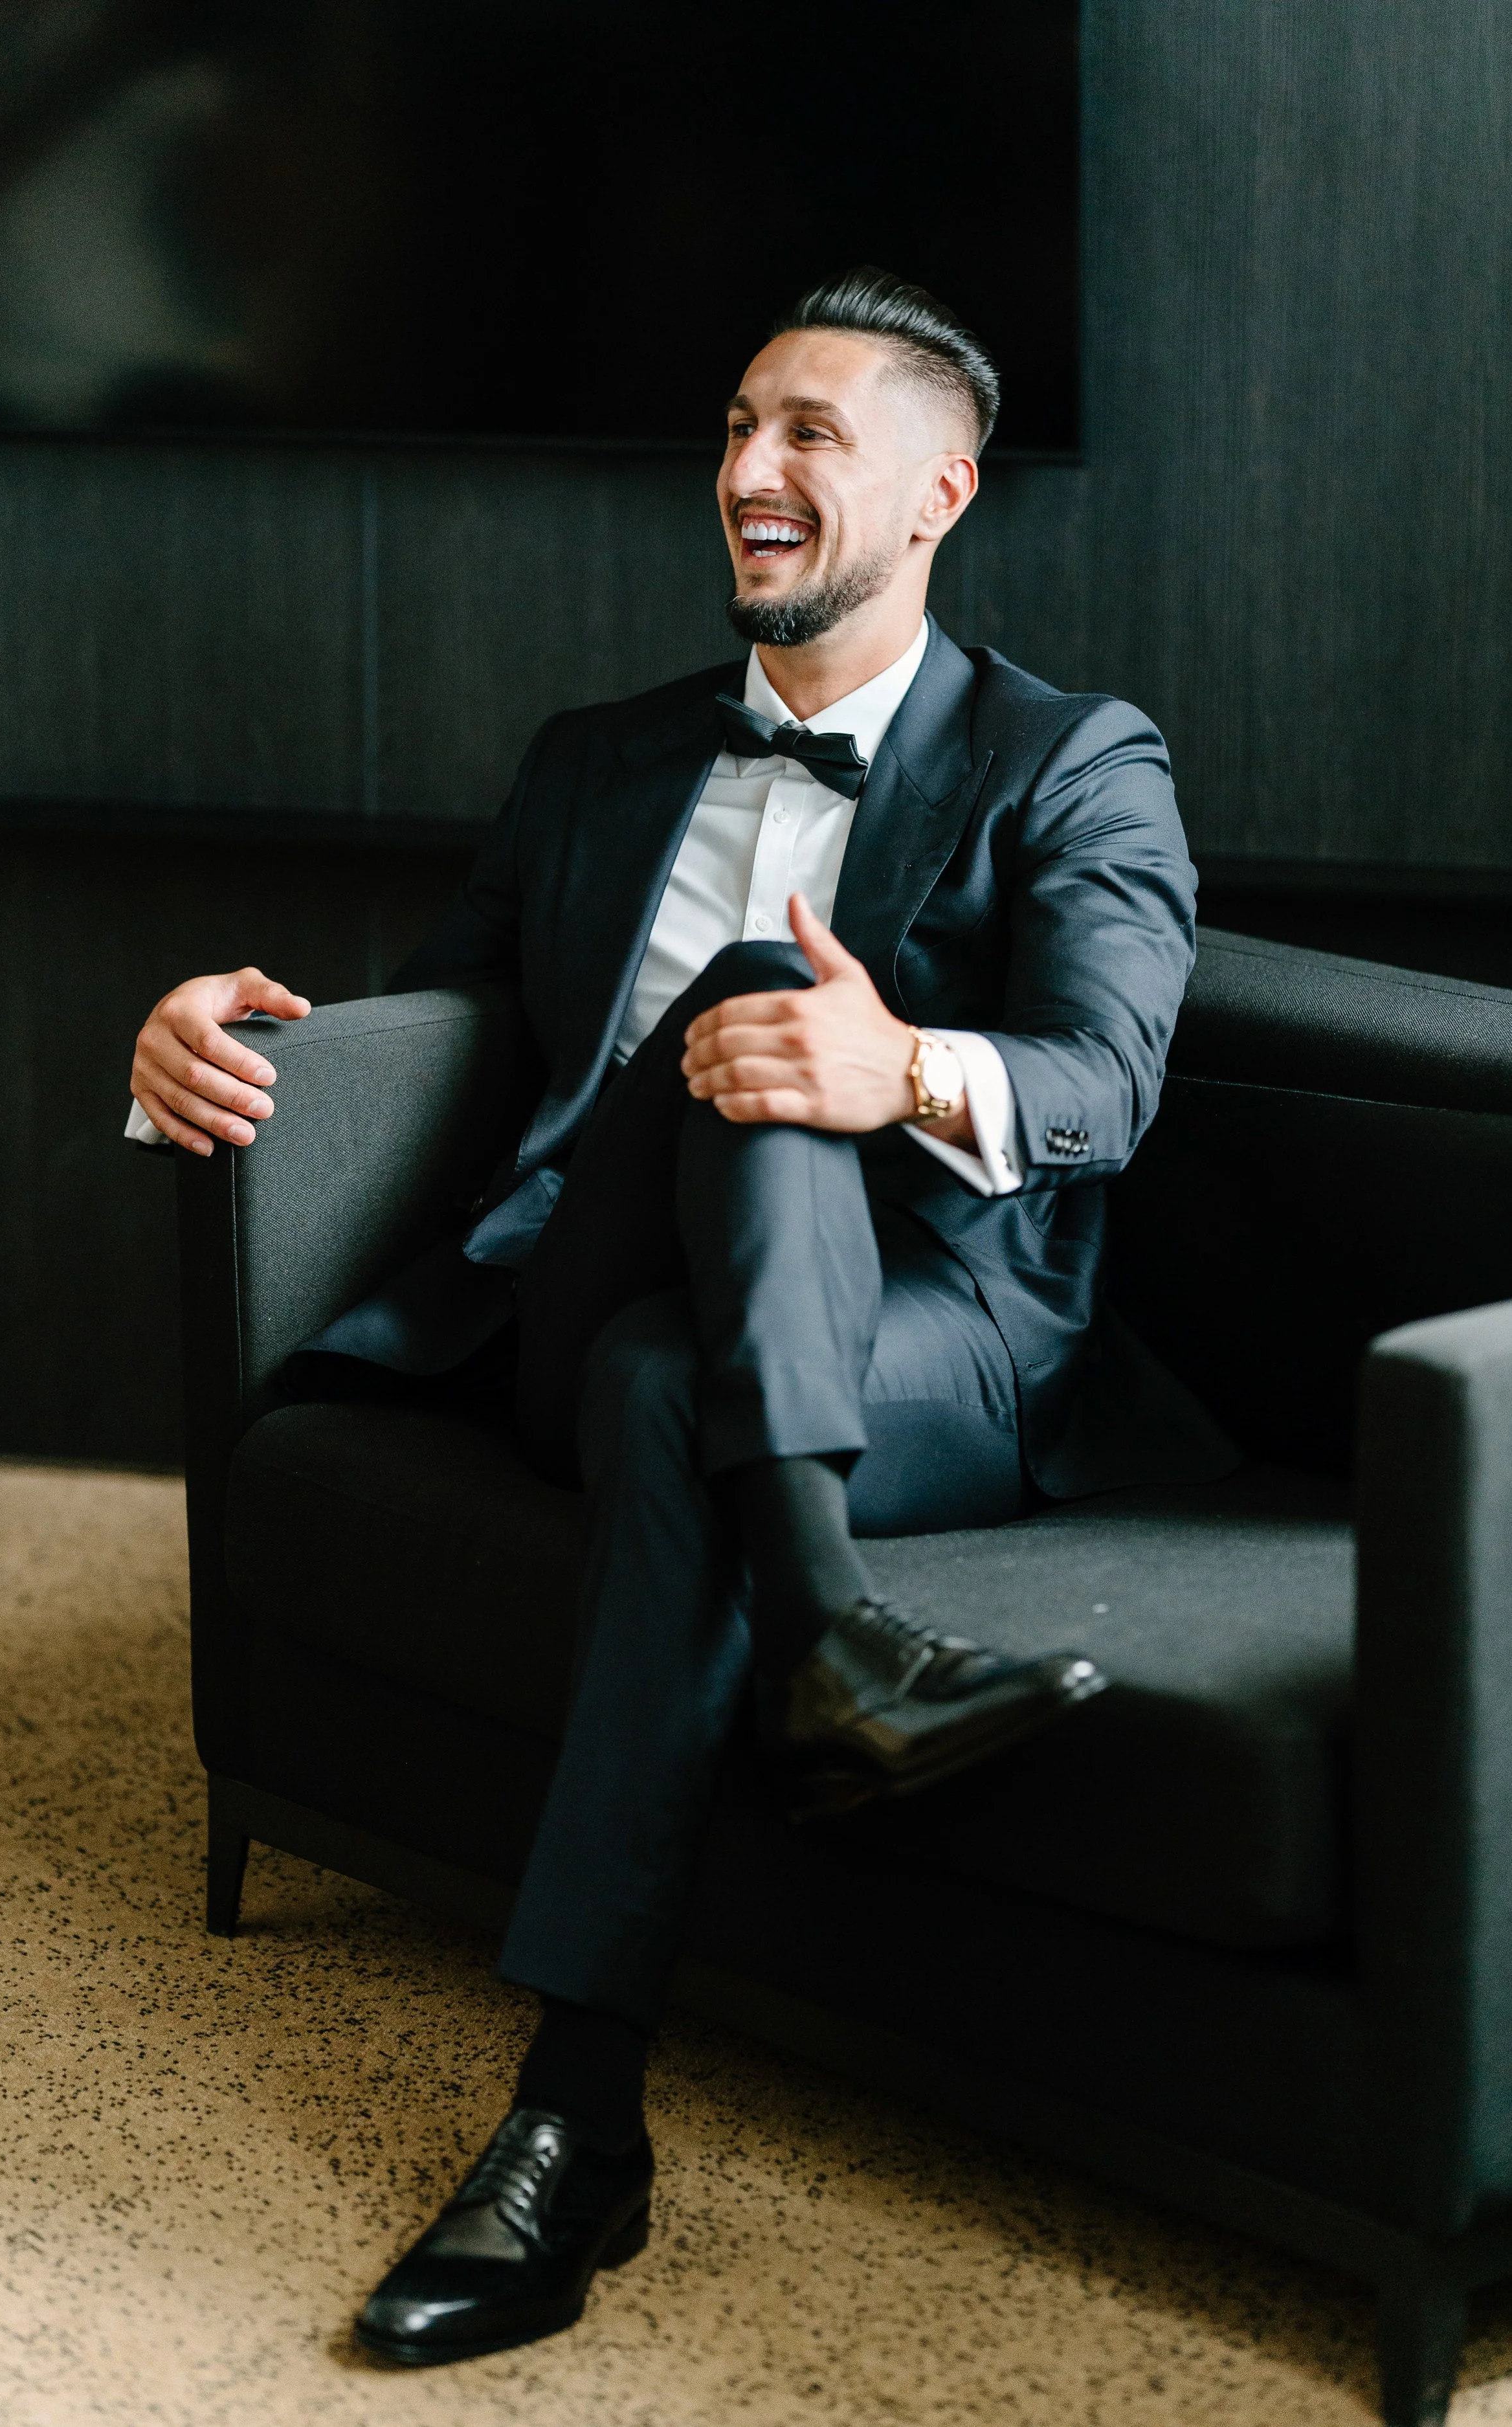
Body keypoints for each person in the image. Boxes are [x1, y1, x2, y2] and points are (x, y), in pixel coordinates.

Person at [129, 268, 1217, 2368]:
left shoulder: (1075, 759)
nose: (749, 469)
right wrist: (203, 1036)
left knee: (667, 1378)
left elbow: (1108, 1082)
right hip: (582, 1276)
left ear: (939, 490)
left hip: (928, 1344)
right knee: (728, 1029)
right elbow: (424, 1026)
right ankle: (827, 1642)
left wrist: (893, 1064)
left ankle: (573, 2121)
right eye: (735, 427)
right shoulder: (598, 758)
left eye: (812, 431)